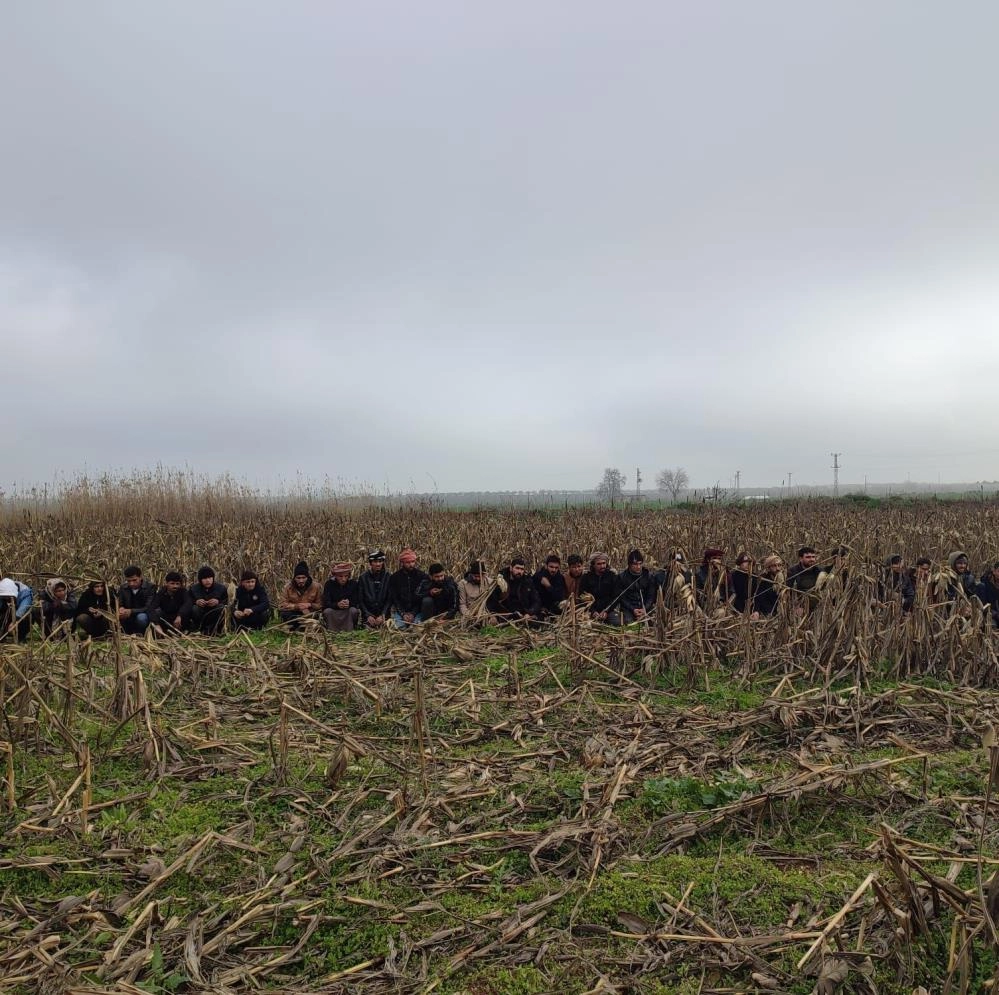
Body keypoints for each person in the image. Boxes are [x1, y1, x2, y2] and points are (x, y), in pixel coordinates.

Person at [487, 556, 540, 624]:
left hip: (522, 614)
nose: (519, 571)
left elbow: (536, 601)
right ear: (511, 568)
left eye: (522, 569)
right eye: (517, 568)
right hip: (504, 615)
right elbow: (491, 601)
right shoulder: (501, 581)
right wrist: (492, 615)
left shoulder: (527, 582)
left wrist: (529, 613)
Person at [388, 548, 428, 629]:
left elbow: (422, 597)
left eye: (413, 562)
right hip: (401, 612)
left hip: (417, 612)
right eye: (408, 562)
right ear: (402, 563)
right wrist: (403, 614)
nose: (411, 564)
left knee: (416, 629)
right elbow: (394, 598)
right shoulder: (394, 577)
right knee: (399, 628)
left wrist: (413, 613)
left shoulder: (422, 576)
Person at [279, 561, 323, 630]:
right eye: (298, 578)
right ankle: (300, 626)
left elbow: (320, 605)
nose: (301, 580)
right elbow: (282, 605)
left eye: (303, 577)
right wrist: (297, 606)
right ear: (294, 578)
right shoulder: (287, 587)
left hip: (310, 613)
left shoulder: (316, 587)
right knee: (285, 614)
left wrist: (310, 605)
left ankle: (302, 625)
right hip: (294, 613)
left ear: (307, 577)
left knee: (320, 615)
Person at [617, 549, 657, 624]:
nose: (638, 567)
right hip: (629, 609)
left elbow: (651, 596)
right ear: (629, 565)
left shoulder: (648, 576)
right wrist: (633, 609)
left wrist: (645, 608)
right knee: (629, 623)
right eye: (635, 564)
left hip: (645, 607)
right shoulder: (622, 577)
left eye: (640, 564)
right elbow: (621, 598)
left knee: (654, 622)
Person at [580, 552, 620, 625]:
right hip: (590, 611)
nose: (602, 566)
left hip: (608, 610)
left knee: (617, 623)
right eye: (599, 564)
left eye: (604, 563)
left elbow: (615, 597)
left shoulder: (612, 576)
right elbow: (583, 597)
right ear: (593, 565)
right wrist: (593, 612)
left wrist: (606, 611)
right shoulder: (586, 578)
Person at [189, 566, 229, 635]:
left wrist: (218, 601)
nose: (208, 580)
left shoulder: (221, 588)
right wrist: (196, 602)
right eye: (205, 578)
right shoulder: (193, 589)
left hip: (214, 614)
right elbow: (188, 601)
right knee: (194, 609)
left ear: (213, 578)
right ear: (200, 579)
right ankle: (198, 629)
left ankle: (214, 630)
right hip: (201, 613)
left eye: (210, 578)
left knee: (221, 607)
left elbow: (227, 601)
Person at [323, 562, 361, 632]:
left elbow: (357, 601)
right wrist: (337, 604)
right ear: (335, 576)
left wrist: (348, 603)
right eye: (340, 576)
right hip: (334, 610)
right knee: (327, 612)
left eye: (346, 576)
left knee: (353, 611)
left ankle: (349, 630)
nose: (343, 579)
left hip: (348, 610)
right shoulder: (329, 584)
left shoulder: (353, 584)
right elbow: (326, 603)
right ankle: (332, 630)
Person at [358, 550, 392, 628]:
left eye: (380, 561)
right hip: (368, 616)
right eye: (375, 562)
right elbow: (360, 600)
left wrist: (383, 615)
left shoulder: (388, 577)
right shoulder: (363, 578)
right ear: (370, 563)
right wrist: (368, 615)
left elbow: (389, 599)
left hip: (384, 616)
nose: (378, 564)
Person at [117, 565, 154, 636]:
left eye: (134, 580)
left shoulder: (150, 588)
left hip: (143, 614)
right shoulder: (123, 588)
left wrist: (131, 611)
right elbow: (120, 603)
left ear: (140, 577)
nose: (131, 583)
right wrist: (121, 609)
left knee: (141, 618)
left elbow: (149, 607)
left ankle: (142, 635)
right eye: (128, 581)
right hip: (127, 615)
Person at [533, 554, 568, 619]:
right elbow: (533, 595)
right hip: (539, 606)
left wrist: (548, 586)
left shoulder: (560, 578)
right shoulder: (538, 576)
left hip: (553, 607)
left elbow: (559, 597)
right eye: (551, 567)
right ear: (546, 566)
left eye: (556, 568)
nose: (554, 570)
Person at [0, 576, 33, 641]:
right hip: (8, 611)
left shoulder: (25, 593)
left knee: (28, 615)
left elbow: (23, 609)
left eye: (8, 597)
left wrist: (14, 622)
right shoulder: (2, 588)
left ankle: (20, 637)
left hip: (20, 615)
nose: (7, 599)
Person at [977, 562, 999, 627]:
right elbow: (982, 606)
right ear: (994, 572)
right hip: (989, 614)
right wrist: (995, 614)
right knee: (992, 626)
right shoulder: (984, 585)